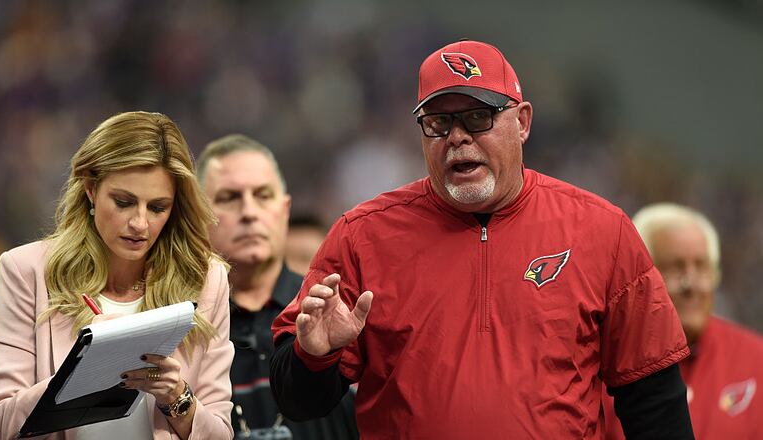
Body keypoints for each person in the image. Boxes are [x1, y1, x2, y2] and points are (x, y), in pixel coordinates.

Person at [269, 39, 695, 439]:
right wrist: (314, 357)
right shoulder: (362, 236)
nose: (458, 137)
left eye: (478, 116)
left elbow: (654, 399)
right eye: (439, 122)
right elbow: (298, 402)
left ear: (523, 122)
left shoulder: (603, 231)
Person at [0, 111, 234, 440]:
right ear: (90, 188)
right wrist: (78, 373)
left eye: (158, 207)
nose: (140, 224)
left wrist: (177, 398)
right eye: (124, 202)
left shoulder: (206, 278)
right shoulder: (25, 270)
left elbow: (221, 434)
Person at [197, 134, 358, 439]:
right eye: (229, 197)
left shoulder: (336, 314)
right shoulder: (183, 330)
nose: (249, 212)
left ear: (284, 211)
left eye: (263, 195)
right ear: (197, 217)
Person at [603, 203, 763, 439]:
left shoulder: (756, 359)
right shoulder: (601, 365)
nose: (691, 284)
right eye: (675, 268)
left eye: (701, 268)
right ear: (638, 279)